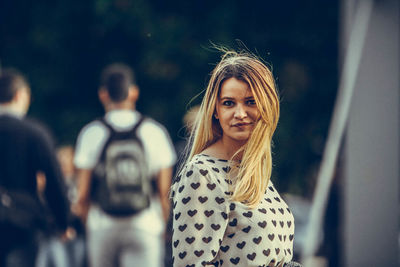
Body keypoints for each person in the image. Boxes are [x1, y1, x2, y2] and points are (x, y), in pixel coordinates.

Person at [170, 49, 301, 267]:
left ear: (266, 106)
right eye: (229, 103)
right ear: (215, 110)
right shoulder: (202, 173)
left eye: (250, 101)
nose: (240, 113)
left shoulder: (252, 171)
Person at [73, 63, 176, 267]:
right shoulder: (154, 131)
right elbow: (165, 191)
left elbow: (82, 193)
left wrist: (88, 224)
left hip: (102, 224)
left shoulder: (91, 133)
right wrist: (165, 225)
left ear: (103, 95)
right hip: (145, 224)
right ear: (134, 93)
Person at [0, 69, 69, 267]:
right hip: (23, 222)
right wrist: (62, 222)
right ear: (20, 95)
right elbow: (54, 180)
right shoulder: (34, 133)